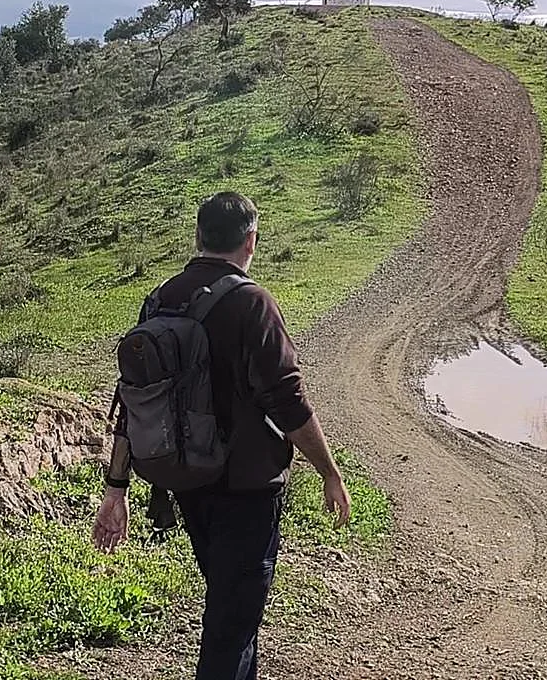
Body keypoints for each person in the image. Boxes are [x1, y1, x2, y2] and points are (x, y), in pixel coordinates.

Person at [93, 191, 352, 680]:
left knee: (233, 615)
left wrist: (116, 488)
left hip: (188, 483)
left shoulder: (162, 298)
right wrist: (330, 472)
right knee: (230, 630)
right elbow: (288, 401)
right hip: (248, 492)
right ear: (251, 241)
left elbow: (133, 398)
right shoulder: (252, 302)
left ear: (199, 236)